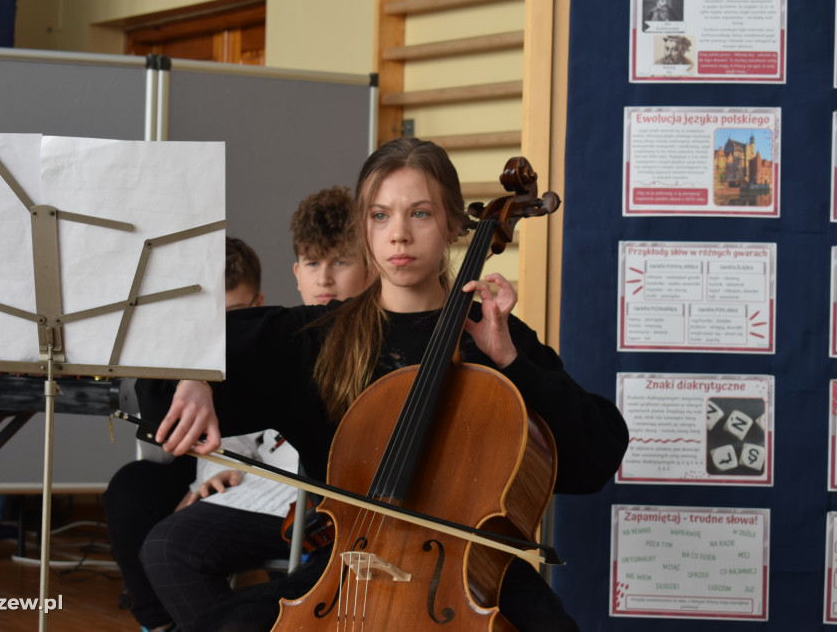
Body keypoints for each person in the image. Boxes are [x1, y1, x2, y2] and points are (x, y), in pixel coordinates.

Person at [143, 137, 629, 631]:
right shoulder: (315, 338)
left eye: (420, 214)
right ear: (365, 230)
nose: (398, 235)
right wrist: (197, 373)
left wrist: (512, 365)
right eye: (381, 216)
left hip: (472, 581)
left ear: (455, 225)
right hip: (346, 576)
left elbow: (595, 459)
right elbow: (167, 372)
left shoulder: (496, 336)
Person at [138, 186, 371, 630]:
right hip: (274, 496)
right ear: (297, 272)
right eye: (313, 264)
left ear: (369, 269)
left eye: (340, 262)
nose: (324, 279)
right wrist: (224, 461)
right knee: (157, 530)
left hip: (322, 506)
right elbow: (241, 433)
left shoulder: (369, 342)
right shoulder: (281, 337)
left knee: (175, 550)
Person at [104, 237, 267, 632]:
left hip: (254, 470)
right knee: (130, 488)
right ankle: (159, 624)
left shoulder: (269, 341)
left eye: (238, 312)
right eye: (216, 316)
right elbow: (161, 443)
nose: (226, 327)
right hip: (201, 463)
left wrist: (220, 474)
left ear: (258, 304)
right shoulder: (190, 345)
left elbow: (266, 441)